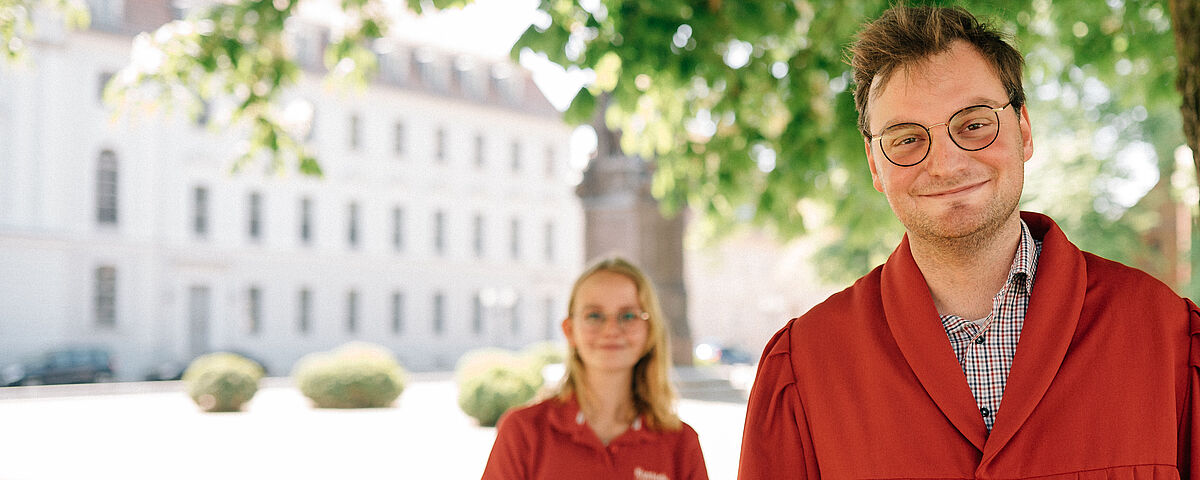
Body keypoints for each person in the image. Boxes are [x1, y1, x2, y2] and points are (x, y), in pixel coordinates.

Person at [738, 4, 1200, 479]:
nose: (946, 164)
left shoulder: (1169, 342)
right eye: (906, 139)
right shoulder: (806, 370)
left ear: (1023, 130)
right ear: (875, 164)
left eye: (974, 124)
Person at [482, 257, 709, 480]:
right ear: (569, 330)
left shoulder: (681, 444)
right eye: (594, 315)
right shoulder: (523, 432)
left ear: (649, 331)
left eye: (628, 315)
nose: (611, 329)